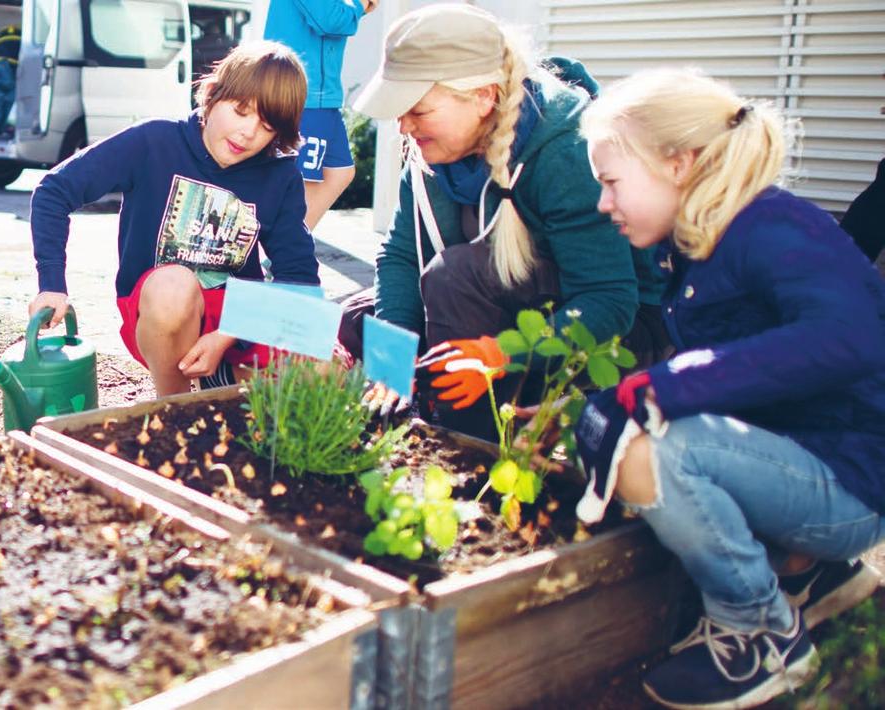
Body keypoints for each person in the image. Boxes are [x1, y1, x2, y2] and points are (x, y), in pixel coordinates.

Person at [572, 67, 885, 709]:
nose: (604, 204)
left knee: (654, 451)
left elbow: (853, 338)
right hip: (816, 463)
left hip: (854, 479)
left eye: (611, 182)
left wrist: (670, 385)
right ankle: (807, 571)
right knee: (642, 426)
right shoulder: (704, 241)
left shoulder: (773, 228)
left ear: (680, 163)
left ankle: (761, 632)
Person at [346, 4, 667, 437]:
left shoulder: (565, 151)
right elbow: (401, 255)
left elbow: (609, 300)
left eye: (418, 111)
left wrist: (499, 354)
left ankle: (470, 449)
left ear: (483, 97)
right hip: (502, 304)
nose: (404, 126)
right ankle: (415, 400)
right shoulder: (431, 150)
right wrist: (390, 363)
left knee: (454, 278)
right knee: (359, 317)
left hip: (610, 334)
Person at [29, 41, 319, 397]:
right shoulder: (155, 143)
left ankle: (226, 385)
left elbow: (300, 279)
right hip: (161, 310)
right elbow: (53, 190)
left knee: (324, 354)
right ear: (212, 95)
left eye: (267, 125)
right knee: (174, 284)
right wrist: (52, 283)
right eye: (241, 111)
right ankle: (174, 406)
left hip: (239, 320)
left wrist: (227, 336)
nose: (248, 132)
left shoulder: (279, 176)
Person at [264, 0, 378, 229]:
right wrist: (360, 5)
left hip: (321, 97)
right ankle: (284, 252)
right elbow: (329, 20)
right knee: (305, 183)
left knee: (341, 172)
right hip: (303, 94)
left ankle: (292, 242)